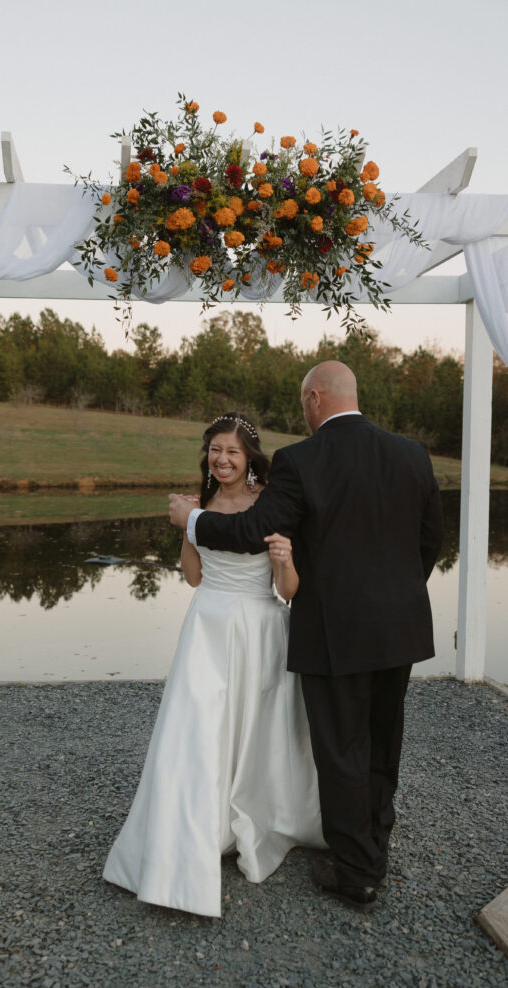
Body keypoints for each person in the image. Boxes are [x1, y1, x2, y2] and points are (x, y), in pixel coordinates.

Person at [169, 362, 444, 910]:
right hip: (400, 629)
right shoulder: (412, 453)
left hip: (333, 632)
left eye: (303, 402)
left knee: (341, 748)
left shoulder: (302, 459)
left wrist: (192, 521)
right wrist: (397, 598)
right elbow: (431, 539)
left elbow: (249, 531)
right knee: (382, 742)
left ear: (314, 398)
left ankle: (357, 871)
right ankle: (374, 850)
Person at [103, 412, 325, 918]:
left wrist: (287, 560)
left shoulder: (269, 502)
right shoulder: (199, 505)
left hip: (258, 627)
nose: (222, 459)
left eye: (232, 452)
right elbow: (193, 577)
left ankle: (252, 818)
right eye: (215, 451)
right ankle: (190, 837)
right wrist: (188, 531)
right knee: (196, 730)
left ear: (249, 458)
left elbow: (287, 591)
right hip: (206, 625)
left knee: (255, 730)